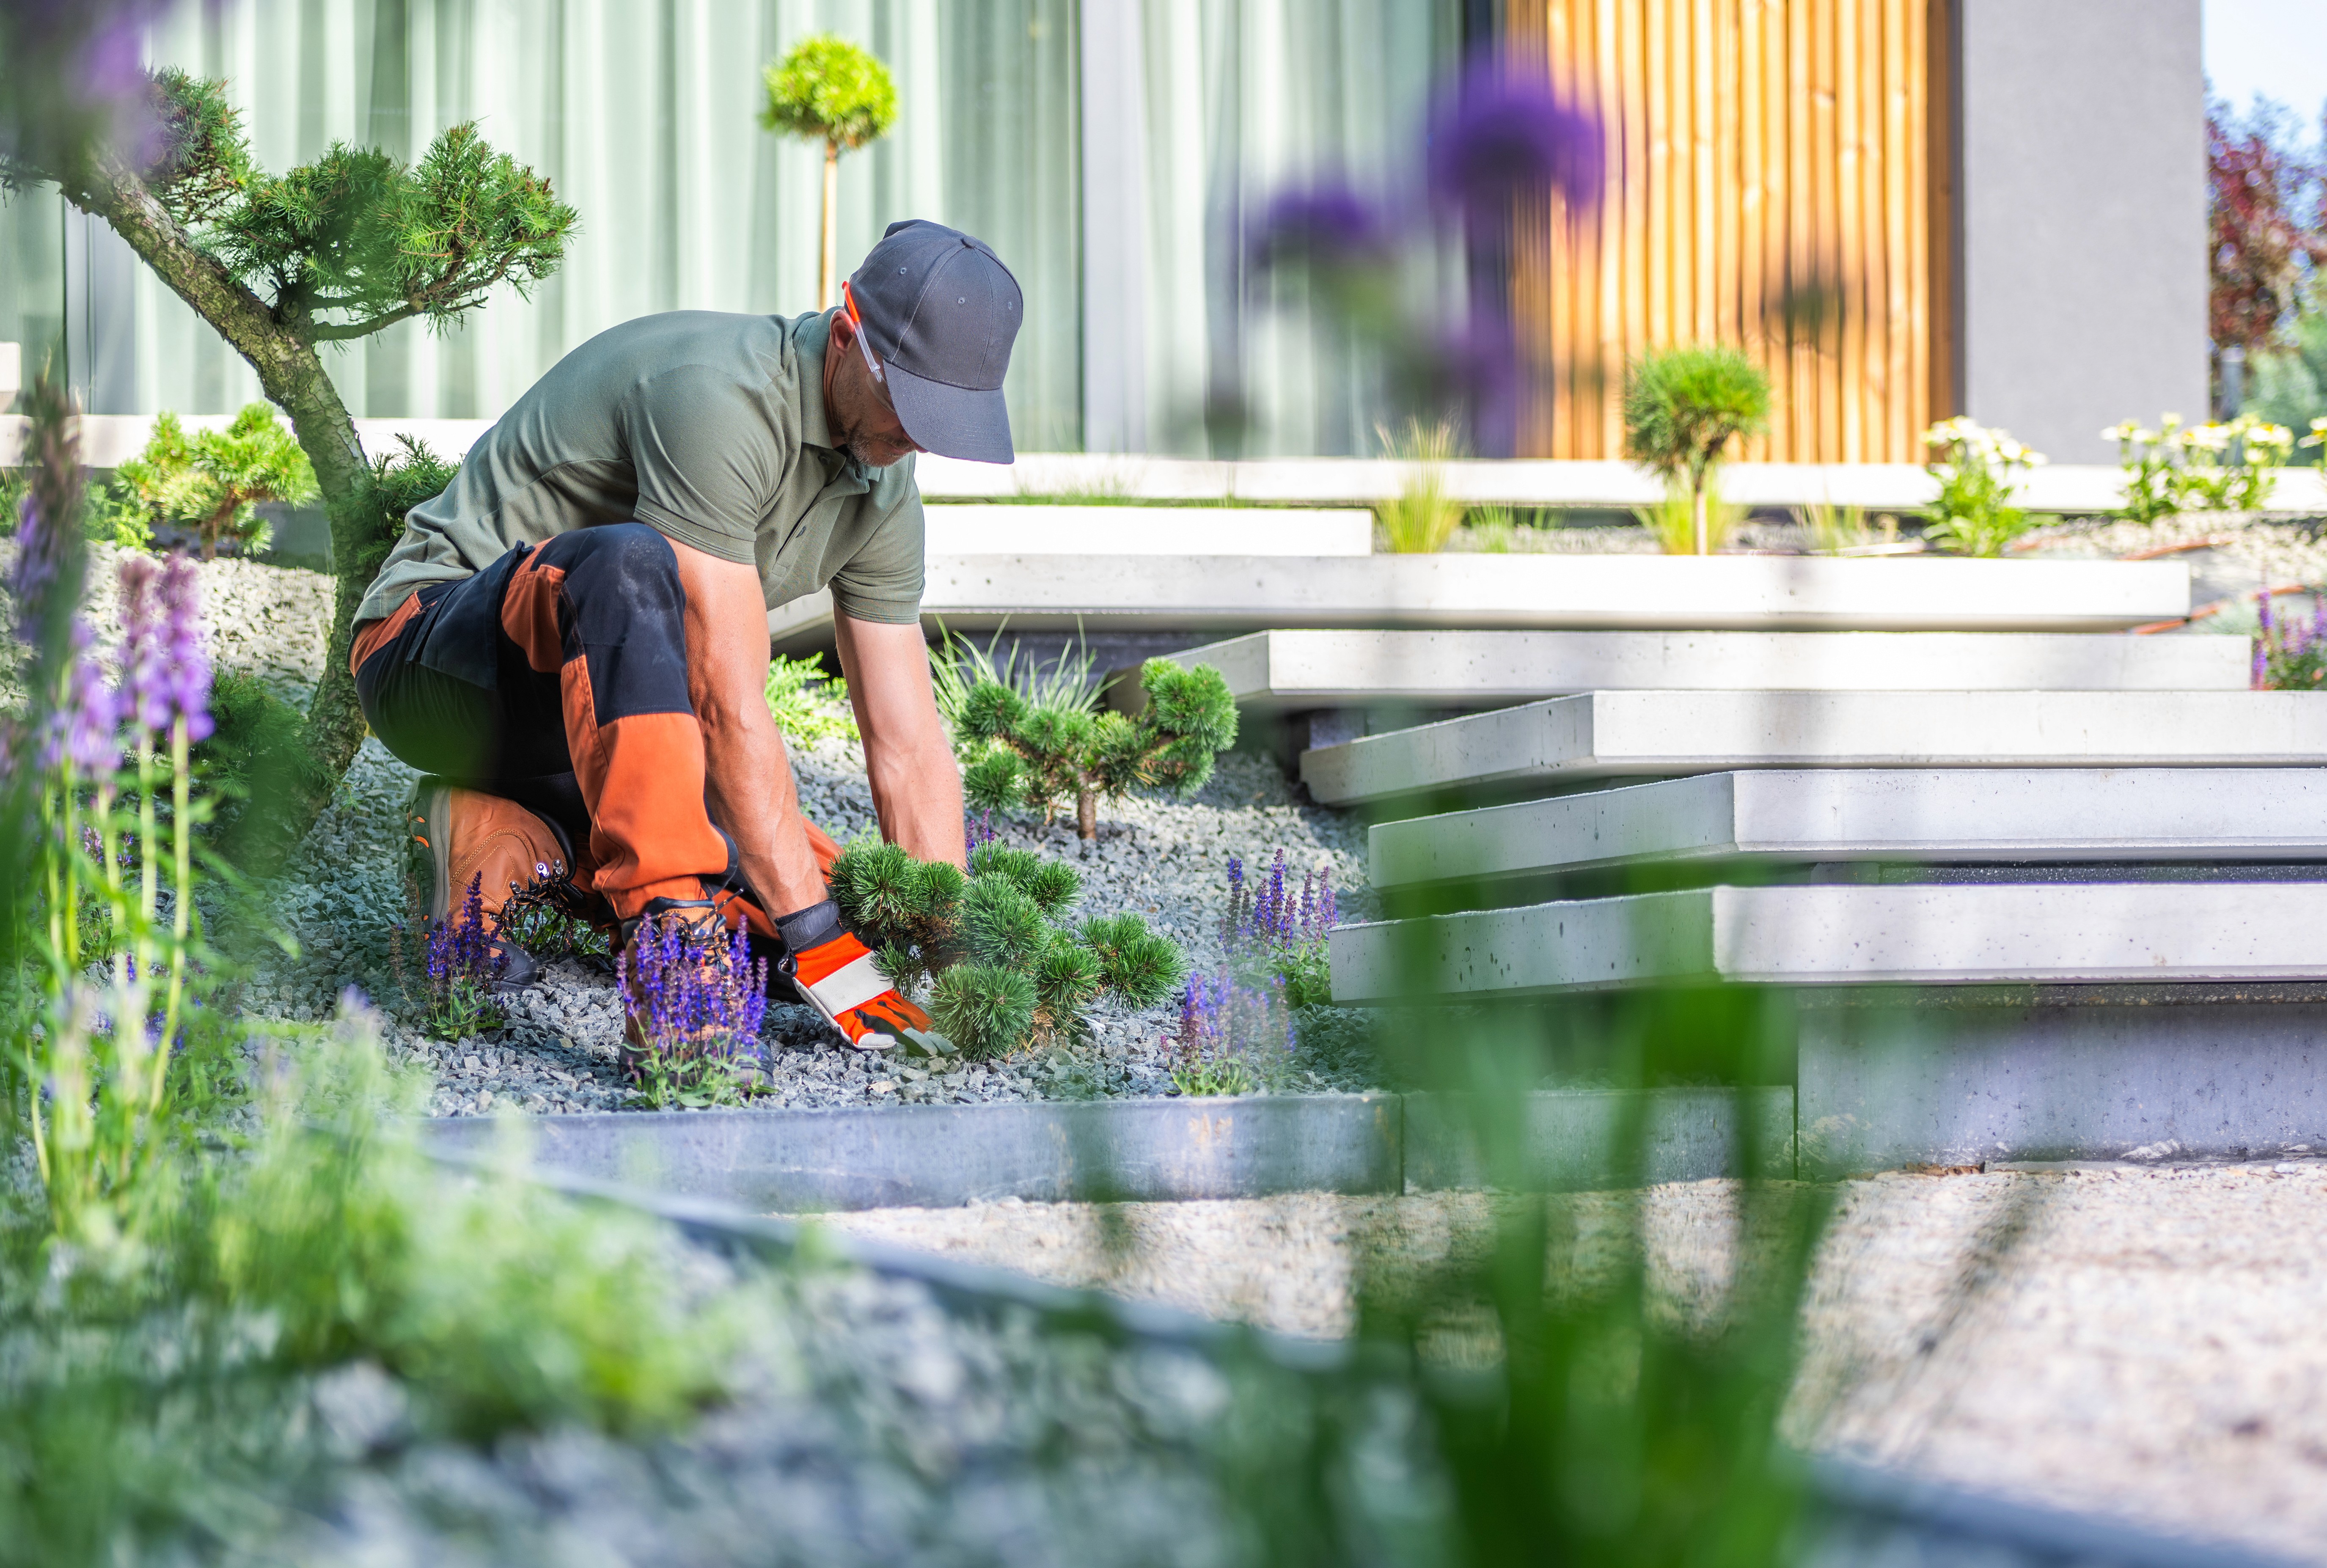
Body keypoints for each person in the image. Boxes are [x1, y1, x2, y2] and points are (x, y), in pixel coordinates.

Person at [348, 219, 1022, 1050]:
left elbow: (907, 743)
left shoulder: (882, 486)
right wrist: (815, 941)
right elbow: (726, 703)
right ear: (846, 337)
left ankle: (500, 834)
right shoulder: (720, 398)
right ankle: (674, 947)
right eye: (909, 406)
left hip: (603, 714)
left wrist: (944, 953)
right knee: (629, 565)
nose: (917, 439)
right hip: (435, 658)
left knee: (840, 902)